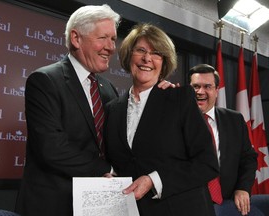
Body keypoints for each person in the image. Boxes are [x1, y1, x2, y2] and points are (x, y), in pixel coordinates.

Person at [15, 5, 174, 216]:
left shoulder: (107, 88)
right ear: (76, 38)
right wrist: (107, 170)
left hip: (99, 206)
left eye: (113, 39)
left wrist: (159, 97)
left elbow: (123, 140)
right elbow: (51, 148)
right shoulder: (45, 81)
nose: (111, 47)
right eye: (103, 38)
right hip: (53, 205)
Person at [104, 23, 220, 216]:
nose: (147, 58)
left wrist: (154, 180)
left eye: (156, 53)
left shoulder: (180, 98)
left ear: (164, 62)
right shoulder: (112, 109)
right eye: (140, 50)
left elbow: (207, 164)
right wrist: (112, 174)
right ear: (128, 55)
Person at [188, 64, 260, 216]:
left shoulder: (235, 120)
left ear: (216, 90)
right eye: (195, 86)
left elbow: (248, 159)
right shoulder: (177, 121)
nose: (200, 92)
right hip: (190, 204)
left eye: (207, 86)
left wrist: (243, 188)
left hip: (227, 201)